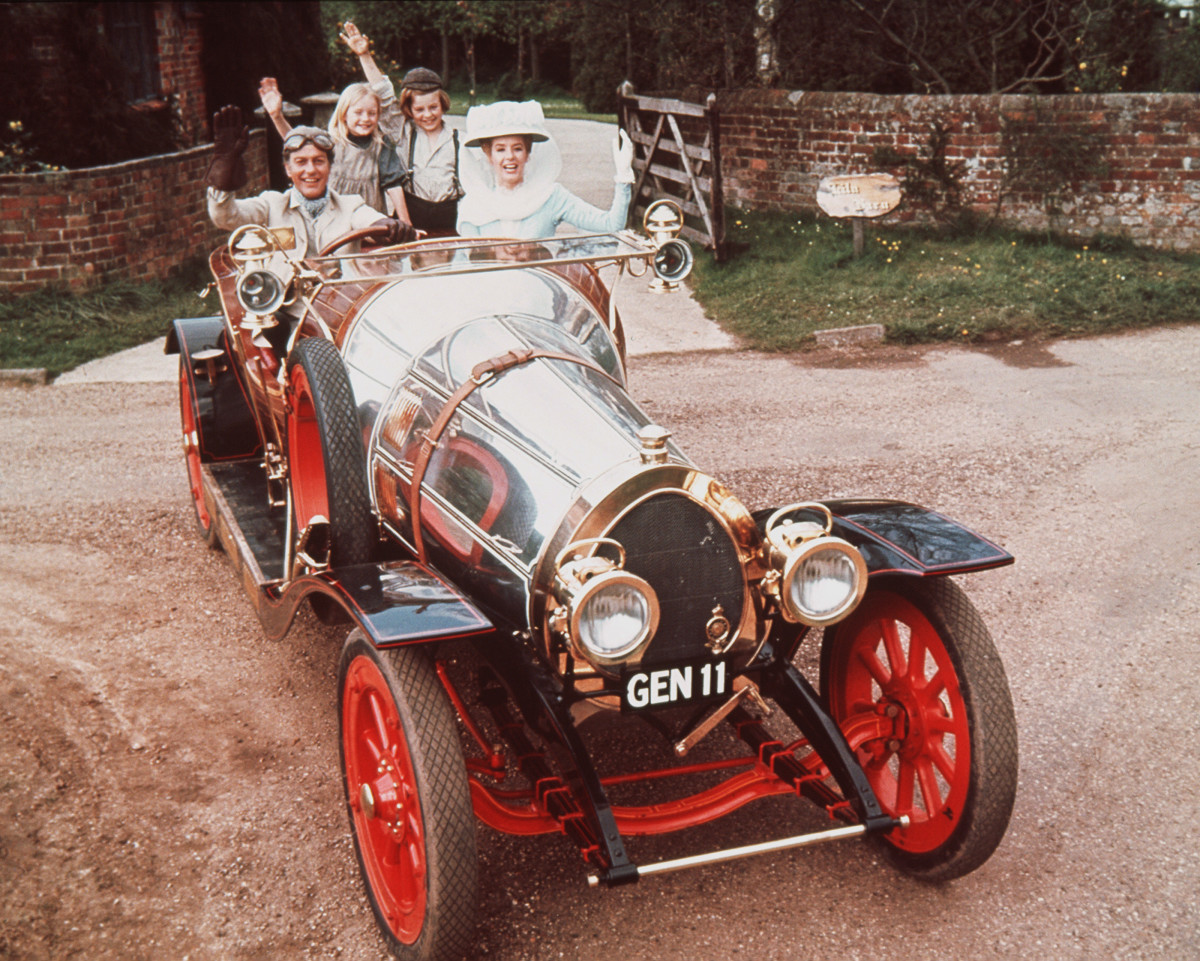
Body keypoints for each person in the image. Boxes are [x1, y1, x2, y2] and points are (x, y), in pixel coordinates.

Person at [204, 105, 413, 351]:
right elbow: (225, 216)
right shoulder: (271, 205)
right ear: (288, 169)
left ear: (329, 166)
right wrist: (223, 170)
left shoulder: (350, 205)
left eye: (318, 161)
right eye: (301, 162)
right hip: (288, 315)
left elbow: (370, 220)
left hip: (345, 311)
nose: (310, 170)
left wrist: (389, 226)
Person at [258, 22, 406, 218]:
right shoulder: (329, 142)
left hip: (371, 222)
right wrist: (276, 115)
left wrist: (406, 224)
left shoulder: (381, 145)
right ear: (344, 114)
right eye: (358, 112)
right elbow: (294, 139)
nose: (366, 119)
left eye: (372, 113)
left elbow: (394, 185)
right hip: (333, 222)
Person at [338, 23, 463, 235]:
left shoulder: (458, 138)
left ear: (443, 104)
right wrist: (365, 55)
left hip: (450, 220)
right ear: (409, 110)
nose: (428, 114)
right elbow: (384, 96)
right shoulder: (404, 132)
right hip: (412, 218)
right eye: (419, 109)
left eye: (433, 107)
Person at [456, 100, 634, 239]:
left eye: (518, 148)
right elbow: (469, 264)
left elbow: (611, 224)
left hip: (539, 284)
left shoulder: (551, 196)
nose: (510, 156)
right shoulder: (474, 204)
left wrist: (624, 176)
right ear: (489, 156)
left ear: (528, 154)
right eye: (500, 149)